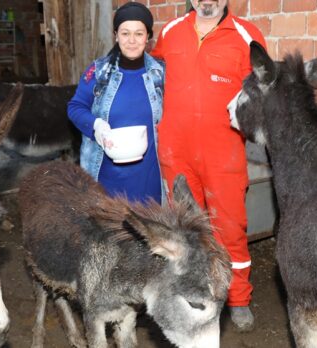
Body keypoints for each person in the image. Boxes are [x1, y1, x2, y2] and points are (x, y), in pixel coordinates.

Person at [151, 0, 266, 331]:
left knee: (230, 227)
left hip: (223, 150)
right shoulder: (171, 32)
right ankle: (189, 292)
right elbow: (153, 78)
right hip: (177, 150)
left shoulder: (247, 36)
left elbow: (260, 90)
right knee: (184, 228)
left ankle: (239, 298)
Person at [67, 2, 165, 204]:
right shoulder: (98, 72)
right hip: (107, 178)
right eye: (125, 33)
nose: (131, 40)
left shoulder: (160, 73)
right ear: (116, 35)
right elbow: (75, 107)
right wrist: (97, 126)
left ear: (148, 37)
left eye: (139, 34)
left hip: (150, 178)